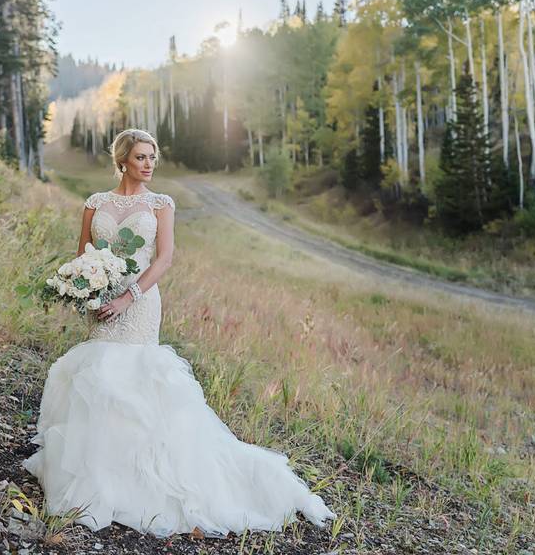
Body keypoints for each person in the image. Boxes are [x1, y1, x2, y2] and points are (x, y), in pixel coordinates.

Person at [22, 128, 335, 537]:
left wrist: (127, 297)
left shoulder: (159, 205)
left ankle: (147, 479)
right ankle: (102, 473)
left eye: (152, 157)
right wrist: (88, 291)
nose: (149, 164)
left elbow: (165, 258)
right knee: (99, 378)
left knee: (134, 376)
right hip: (101, 302)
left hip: (139, 303)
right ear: (122, 161)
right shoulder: (95, 203)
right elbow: (84, 252)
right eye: (140, 157)